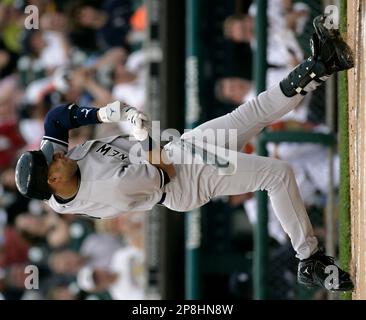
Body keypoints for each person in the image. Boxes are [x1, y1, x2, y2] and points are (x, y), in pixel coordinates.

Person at [15, 16, 354, 292]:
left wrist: (103, 115)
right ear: (53, 180)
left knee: (253, 112)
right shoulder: (103, 190)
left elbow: (55, 118)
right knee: (276, 175)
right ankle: (309, 259)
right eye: (53, 161)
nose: (59, 155)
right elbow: (163, 173)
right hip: (181, 181)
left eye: (53, 154)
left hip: (178, 149)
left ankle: (322, 63)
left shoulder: (55, 175)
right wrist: (143, 133)